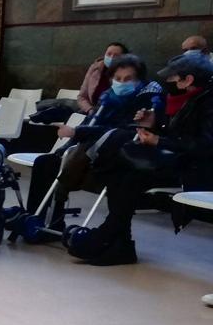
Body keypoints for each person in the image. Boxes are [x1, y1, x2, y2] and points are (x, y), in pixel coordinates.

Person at [69, 52, 213, 265]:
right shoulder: (182, 100)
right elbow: (174, 134)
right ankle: (120, 244)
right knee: (120, 171)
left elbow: (205, 146)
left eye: (172, 78)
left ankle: (110, 237)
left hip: (195, 170)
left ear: (187, 80)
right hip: (175, 160)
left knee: (129, 177)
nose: (167, 82)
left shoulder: (207, 104)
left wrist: (158, 141)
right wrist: (153, 123)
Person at [28, 55, 164, 228]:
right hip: (90, 151)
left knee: (64, 164)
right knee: (45, 163)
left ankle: (53, 218)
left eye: (128, 79)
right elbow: (92, 122)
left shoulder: (146, 103)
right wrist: (71, 140)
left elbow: (120, 132)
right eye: (118, 78)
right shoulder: (107, 98)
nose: (122, 83)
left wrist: (77, 131)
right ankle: (41, 218)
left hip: (113, 157)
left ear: (139, 80)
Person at [78, 42, 128, 114]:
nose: (111, 57)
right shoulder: (95, 69)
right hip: (91, 112)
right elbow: (82, 97)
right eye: (109, 54)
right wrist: (90, 110)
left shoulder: (127, 74)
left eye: (116, 55)